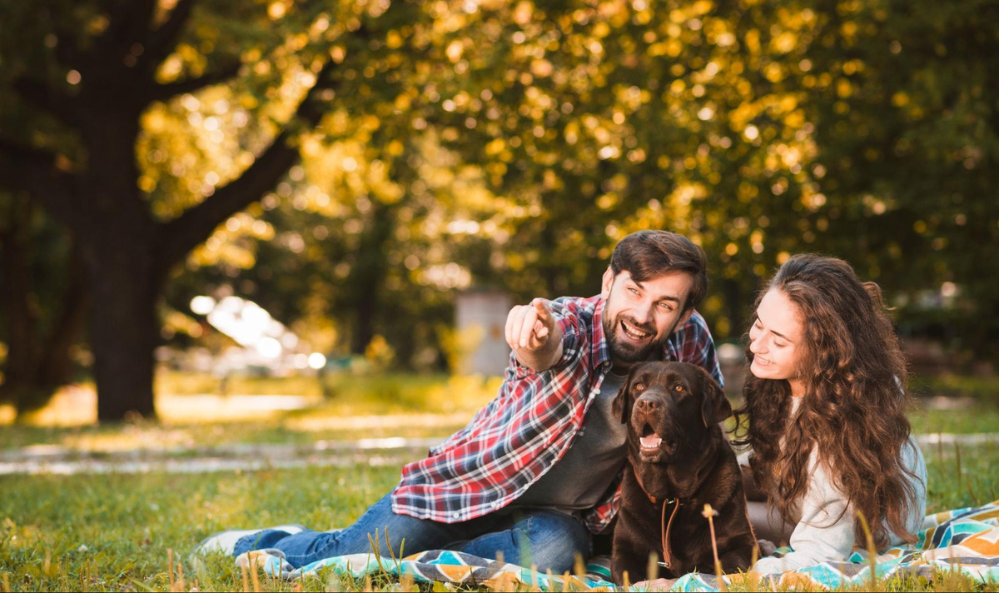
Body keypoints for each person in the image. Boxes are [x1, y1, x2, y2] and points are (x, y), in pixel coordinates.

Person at [200, 230, 722, 573]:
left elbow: (709, 431)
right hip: (466, 488)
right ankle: (257, 542)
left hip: (560, 518)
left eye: (664, 304)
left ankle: (417, 565)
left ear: (682, 313)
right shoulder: (567, 323)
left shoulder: (689, 345)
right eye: (633, 291)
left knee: (558, 552)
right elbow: (543, 349)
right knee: (351, 554)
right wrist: (533, 341)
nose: (642, 314)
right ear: (609, 282)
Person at [734, 254, 927, 575]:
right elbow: (775, 459)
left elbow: (819, 556)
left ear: (824, 352)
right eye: (758, 324)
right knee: (699, 483)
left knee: (703, 514)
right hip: (798, 489)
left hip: (858, 531)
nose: (757, 345)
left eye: (778, 340)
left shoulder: (839, 430)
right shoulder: (788, 382)